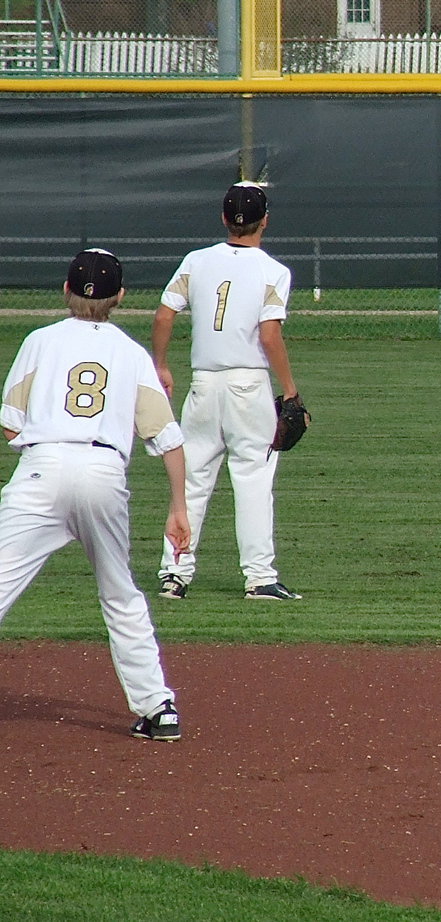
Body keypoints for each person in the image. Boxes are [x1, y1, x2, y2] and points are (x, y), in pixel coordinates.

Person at [0, 249, 190, 741]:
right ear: (120, 297)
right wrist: (179, 508)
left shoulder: (40, 341)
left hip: (42, 469)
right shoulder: (130, 352)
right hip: (104, 472)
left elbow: (9, 423)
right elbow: (166, 436)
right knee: (120, 592)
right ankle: (158, 708)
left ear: (65, 290)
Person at [153, 181, 304, 601]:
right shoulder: (273, 271)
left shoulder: (196, 262)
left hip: (203, 385)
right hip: (247, 386)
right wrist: (290, 389)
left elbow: (165, 315)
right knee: (253, 478)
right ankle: (259, 578)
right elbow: (269, 335)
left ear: (224, 218)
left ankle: (175, 574)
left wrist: (161, 364)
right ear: (265, 221)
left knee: (192, 481)